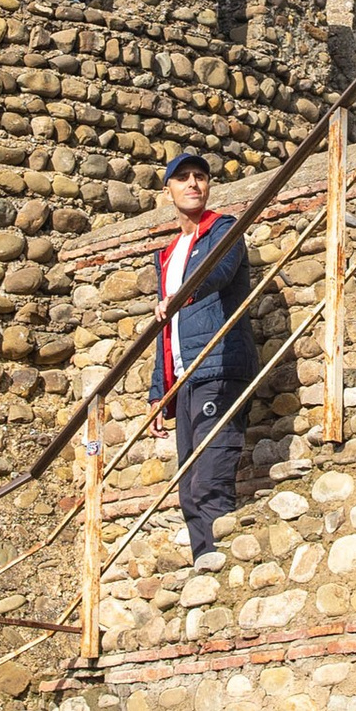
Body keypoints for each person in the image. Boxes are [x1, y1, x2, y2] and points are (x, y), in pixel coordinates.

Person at [147, 146, 253, 563]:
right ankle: (203, 569)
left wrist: (184, 292)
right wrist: (161, 392)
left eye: (201, 177)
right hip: (186, 378)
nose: (193, 183)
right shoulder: (170, 253)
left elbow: (220, 272)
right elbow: (164, 328)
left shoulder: (223, 229)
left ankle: (217, 569)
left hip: (219, 367)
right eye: (183, 177)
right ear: (168, 191)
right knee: (188, 487)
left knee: (210, 481)